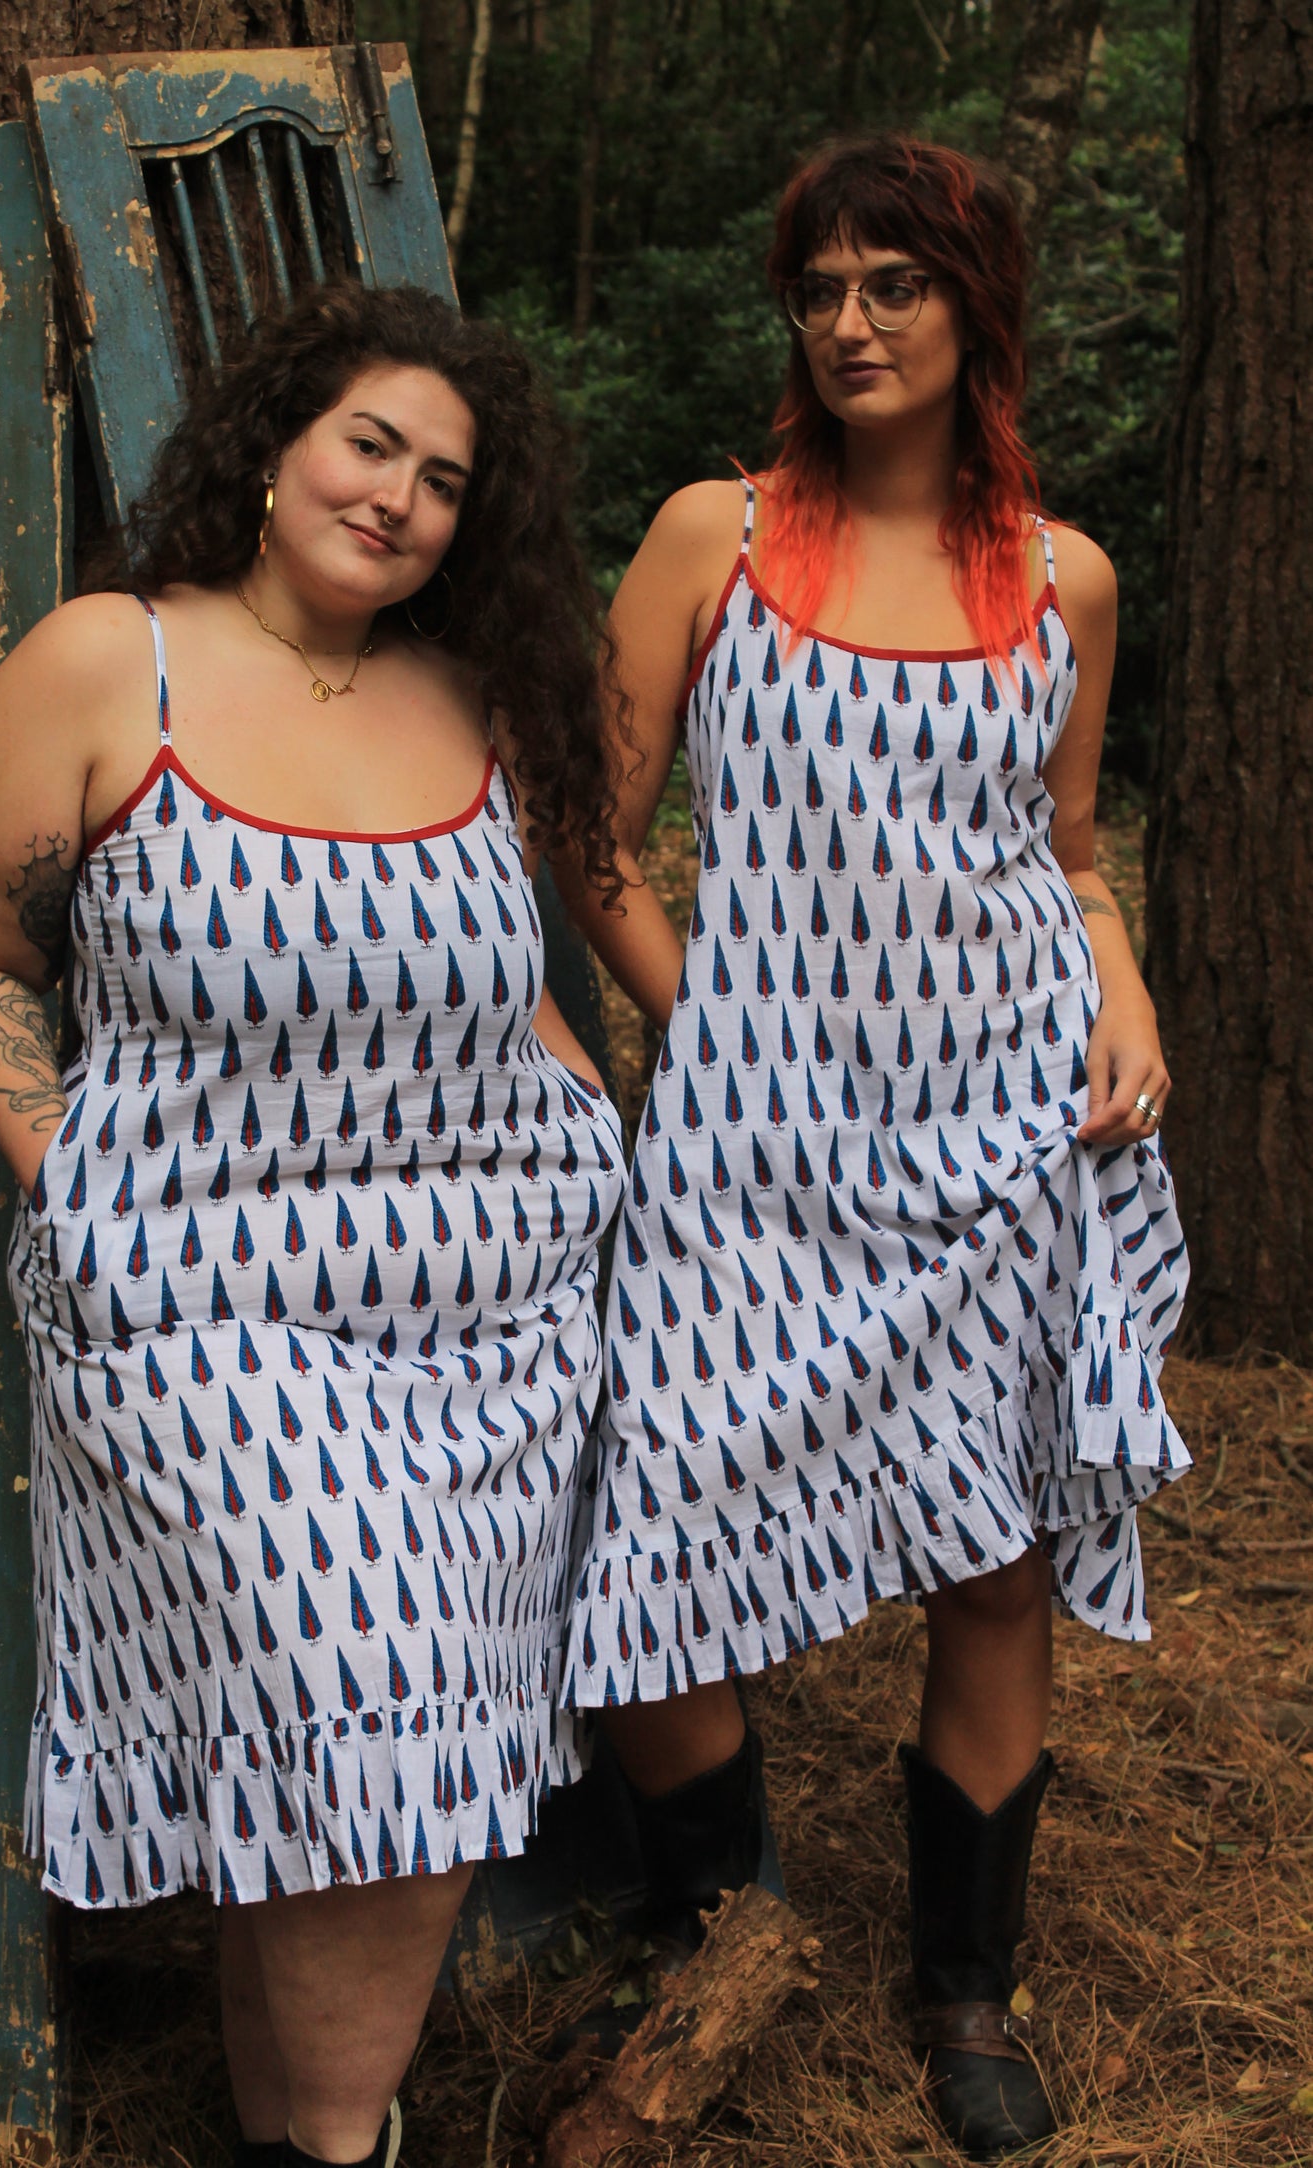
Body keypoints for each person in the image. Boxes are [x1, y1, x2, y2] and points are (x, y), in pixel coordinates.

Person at [0, 282, 627, 2168]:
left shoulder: (473, 702)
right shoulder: (109, 664)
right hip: (205, 1308)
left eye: (445, 481)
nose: (397, 498)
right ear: (280, 442)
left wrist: (603, 1138)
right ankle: (340, 2149)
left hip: (498, 1315)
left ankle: (301, 2137)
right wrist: (66, 1173)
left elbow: (512, 992)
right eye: (369, 443)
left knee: (377, 1735)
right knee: (364, 1673)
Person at [558, 135, 1190, 2161]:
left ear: (973, 306)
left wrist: (1130, 988)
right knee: (648, 1536)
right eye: (821, 289)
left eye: (892, 286)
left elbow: (1068, 851)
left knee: (992, 1565)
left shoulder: (1064, 575)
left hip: (998, 1135)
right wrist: (699, 1010)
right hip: (751, 1146)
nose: (847, 321)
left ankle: (965, 1986)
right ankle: (711, 1925)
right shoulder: (709, 538)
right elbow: (588, 826)